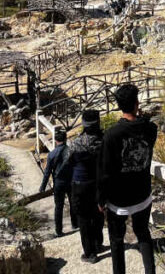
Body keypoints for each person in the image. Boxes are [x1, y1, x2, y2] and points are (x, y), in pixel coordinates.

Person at [98, 84, 157, 274]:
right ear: (136, 103)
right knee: (143, 234)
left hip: (119, 198)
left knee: (116, 240)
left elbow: (105, 172)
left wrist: (100, 198)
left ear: (118, 105)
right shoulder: (150, 129)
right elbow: (147, 127)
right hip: (142, 194)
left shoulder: (111, 136)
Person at [68, 110, 105, 264]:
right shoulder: (103, 142)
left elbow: (69, 162)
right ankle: (98, 244)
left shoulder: (76, 143)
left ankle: (89, 253)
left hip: (80, 185)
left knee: (83, 218)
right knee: (97, 214)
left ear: (83, 124)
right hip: (98, 184)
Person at [40, 129, 76, 237]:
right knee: (73, 204)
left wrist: (43, 186)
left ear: (55, 140)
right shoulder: (71, 151)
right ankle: (75, 224)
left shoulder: (51, 154)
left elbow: (47, 172)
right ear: (65, 139)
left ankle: (59, 231)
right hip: (71, 181)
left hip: (58, 183)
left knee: (58, 207)